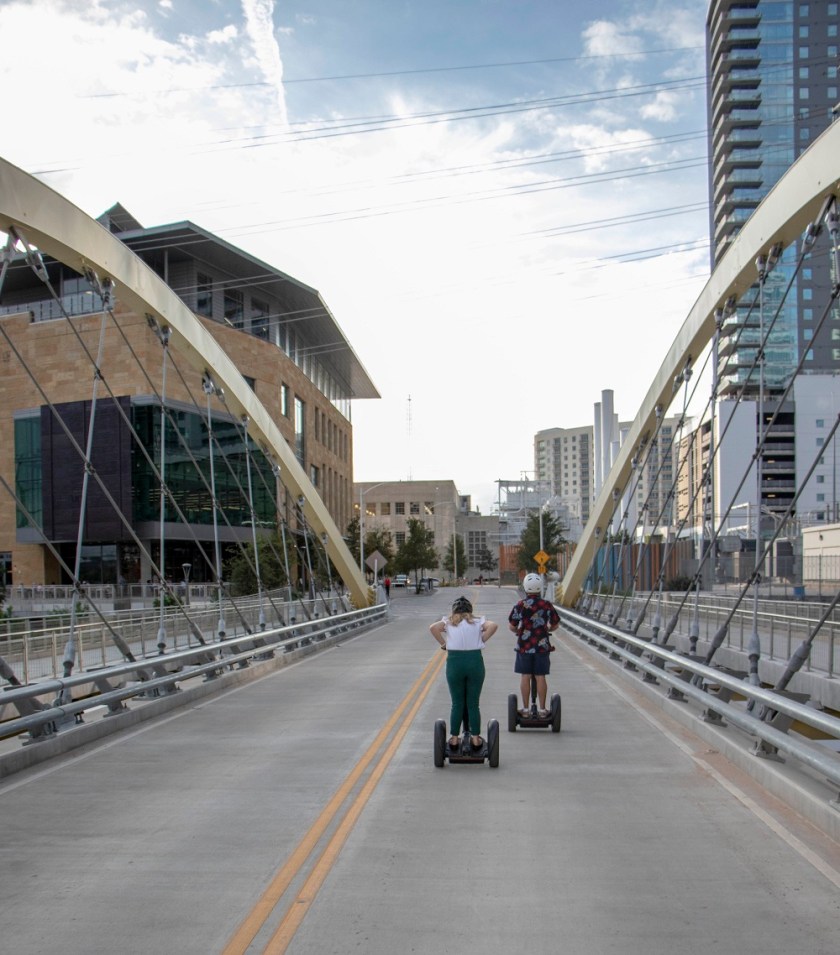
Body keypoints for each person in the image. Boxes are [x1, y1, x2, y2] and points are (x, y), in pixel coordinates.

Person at [430, 596, 498, 750]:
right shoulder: (477, 622)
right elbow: (493, 625)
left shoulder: (448, 622)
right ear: (470, 610)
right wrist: (482, 639)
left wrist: (444, 644)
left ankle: (454, 739)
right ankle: (475, 738)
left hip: (455, 663)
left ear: (454, 610)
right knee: (473, 704)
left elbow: (433, 628)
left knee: (457, 703)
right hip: (475, 662)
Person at [509, 573, 560, 718]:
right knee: (540, 676)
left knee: (525, 676)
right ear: (539, 588)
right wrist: (548, 630)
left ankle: (525, 709)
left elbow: (512, 626)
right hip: (542, 646)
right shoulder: (546, 605)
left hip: (524, 646)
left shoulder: (520, 605)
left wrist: (519, 630)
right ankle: (543, 710)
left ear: (525, 587)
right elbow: (555, 623)